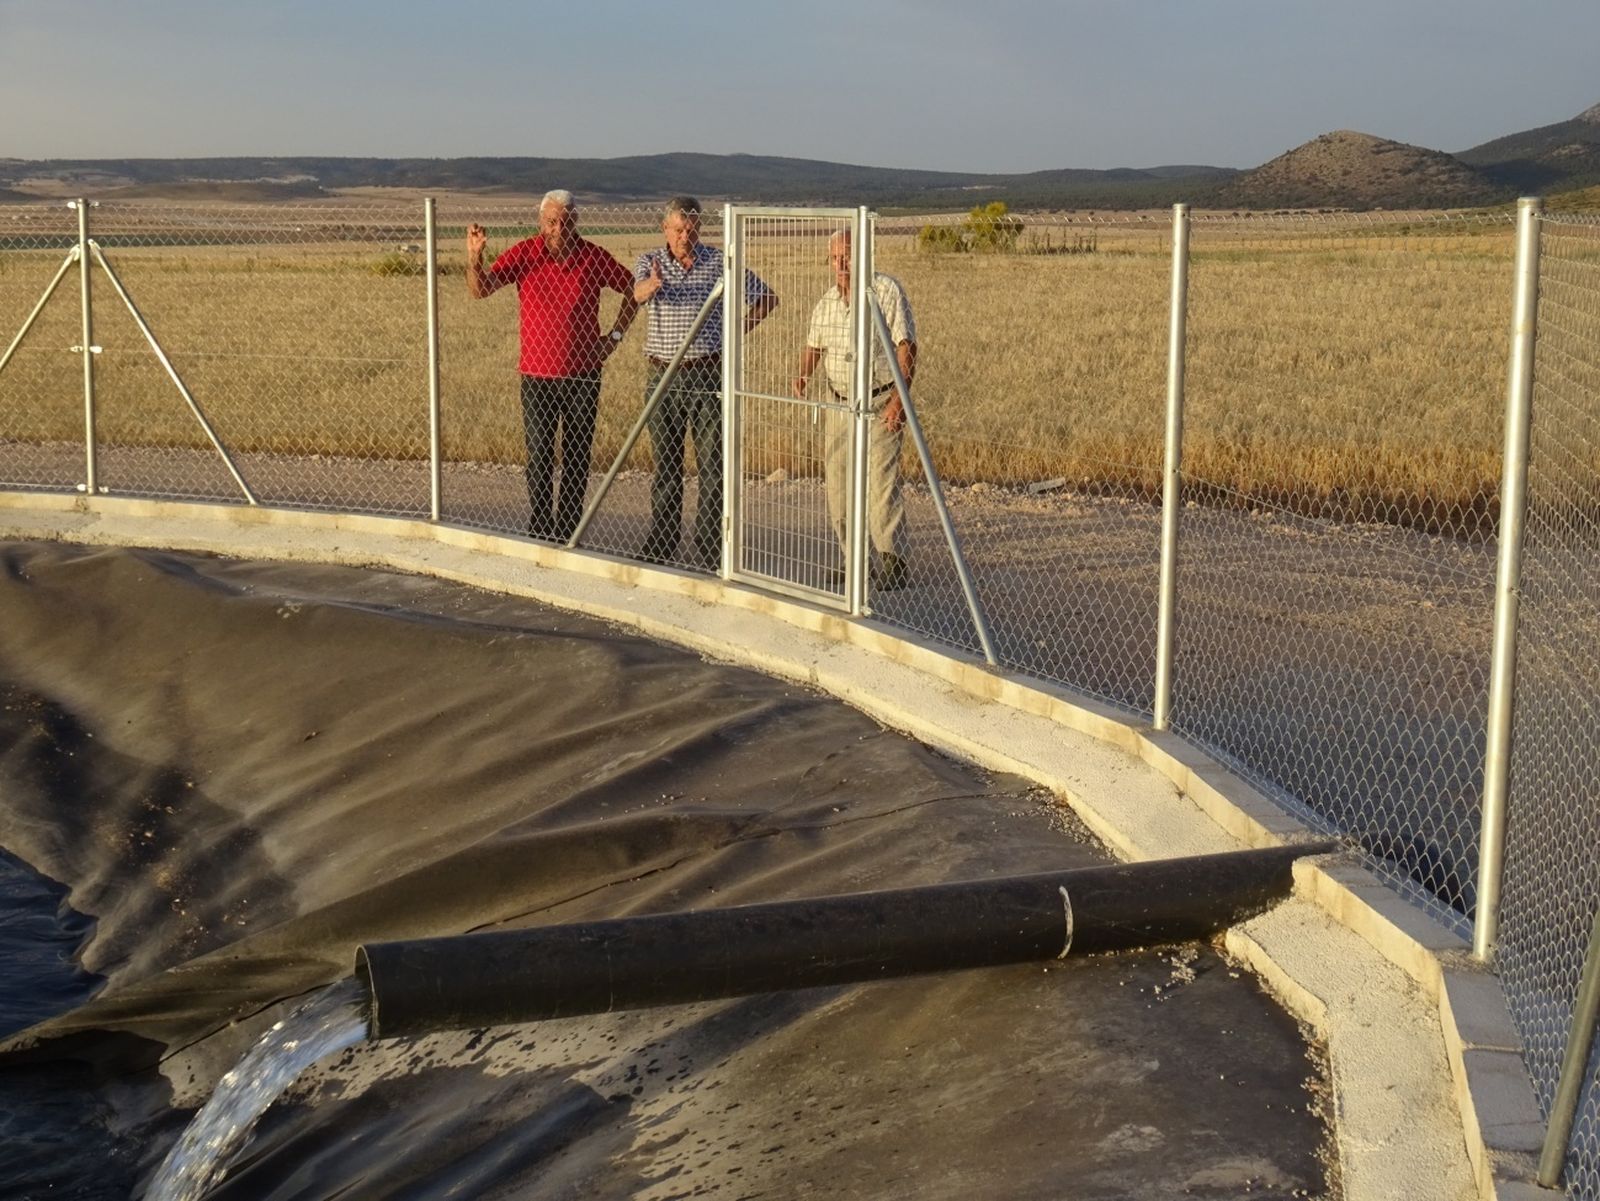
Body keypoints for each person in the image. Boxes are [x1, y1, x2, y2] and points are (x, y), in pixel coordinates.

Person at [466, 190, 639, 541]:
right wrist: (474, 258)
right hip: (536, 376)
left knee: (577, 457)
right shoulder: (525, 253)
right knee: (540, 456)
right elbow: (480, 290)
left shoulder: (593, 257)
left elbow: (633, 290)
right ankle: (541, 528)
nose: (559, 228)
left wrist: (615, 336)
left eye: (566, 220)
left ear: (576, 221)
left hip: (583, 374)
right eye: (552, 221)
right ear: (541, 222)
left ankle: (569, 532)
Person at [633, 196, 778, 566]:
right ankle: (662, 542)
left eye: (692, 227)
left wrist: (735, 332)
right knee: (666, 464)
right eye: (679, 228)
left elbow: (767, 298)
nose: (686, 235)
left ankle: (712, 545)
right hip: (663, 375)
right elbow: (635, 294)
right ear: (665, 228)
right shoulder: (649, 261)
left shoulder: (718, 263)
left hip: (707, 374)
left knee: (713, 464)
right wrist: (649, 288)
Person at [791, 229, 917, 590]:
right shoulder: (827, 301)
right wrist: (802, 375)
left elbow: (906, 346)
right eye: (835, 257)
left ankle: (892, 560)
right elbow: (814, 345)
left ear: (865, 255)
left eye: (848, 255)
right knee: (839, 485)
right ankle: (855, 561)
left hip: (879, 400)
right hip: (839, 403)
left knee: (881, 484)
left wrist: (899, 400)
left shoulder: (886, 291)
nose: (842, 263)